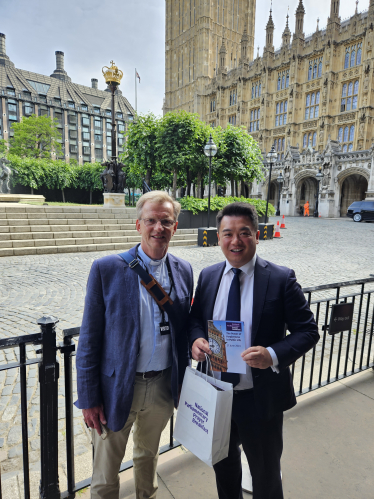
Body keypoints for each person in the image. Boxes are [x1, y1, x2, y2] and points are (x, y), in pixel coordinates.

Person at [188, 202, 319, 499]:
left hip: (259, 400)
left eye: (244, 233)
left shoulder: (280, 278)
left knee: (266, 476)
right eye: (228, 233)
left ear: (257, 235)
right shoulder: (208, 276)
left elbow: (309, 331)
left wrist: (271, 355)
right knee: (224, 469)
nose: (235, 241)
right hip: (217, 395)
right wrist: (196, 340)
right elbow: (196, 319)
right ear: (218, 237)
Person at [75, 191, 194, 499]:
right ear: (138, 224)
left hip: (162, 386)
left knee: (148, 457)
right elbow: (89, 338)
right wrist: (88, 398)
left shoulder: (183, 270)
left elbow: (186, 325)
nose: (159, 228)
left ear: (175, 227)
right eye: (151, 220)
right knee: (105, 473)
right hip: (115, 388)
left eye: (165, 221)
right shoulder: (107, 269)